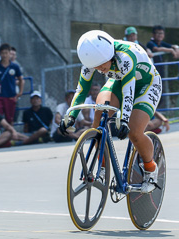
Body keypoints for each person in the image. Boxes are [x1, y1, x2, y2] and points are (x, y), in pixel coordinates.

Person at [62, 30, 163, 192]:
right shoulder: (92, 59)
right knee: (99, 117)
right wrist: (70, 116)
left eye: (102, 65)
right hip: (119, 80)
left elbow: (128, 91)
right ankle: (103, 167)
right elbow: (81, 90)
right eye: (96, 68)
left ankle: (150, 168)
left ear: (109, 56)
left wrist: (123, 120)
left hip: (146, 84)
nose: (100, 70)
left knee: (134, 132)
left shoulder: (125, 57)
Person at [0, 43, 23, 124]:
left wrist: (20, 92)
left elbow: (21, 79)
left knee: (10, 118)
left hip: (11, 95)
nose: (4, 55)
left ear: (9, 53)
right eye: (2, 53)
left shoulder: (15, 66)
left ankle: (10, 135)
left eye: (6, 53)